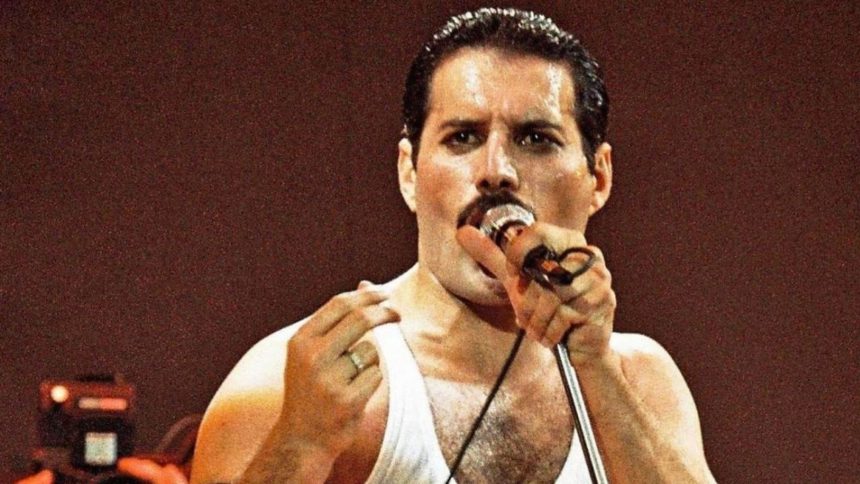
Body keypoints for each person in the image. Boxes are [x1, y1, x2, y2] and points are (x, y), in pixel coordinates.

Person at [191, 8, 716, 483]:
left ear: (597, 178)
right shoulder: (286, 387)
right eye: (463, 137)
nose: (496, 171)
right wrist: (300, 445)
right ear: (409, 173)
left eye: (536, 138)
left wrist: (598, 374)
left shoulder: (640, 383)